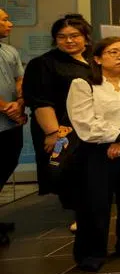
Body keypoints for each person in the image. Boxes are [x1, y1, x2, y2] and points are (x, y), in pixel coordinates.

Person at [65, 37, 120, 271]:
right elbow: (84, 122)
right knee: (94, 204)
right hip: (95, 150)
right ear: (98, 58)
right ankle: (91, 254)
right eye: (114, 52)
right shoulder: (84, 84)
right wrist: (117, 137)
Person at [23, 15, 93, 202]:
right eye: (62, 37)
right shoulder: (43, 63)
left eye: (74, 36)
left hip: (91, 127)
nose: (69, 41)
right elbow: (41, 101)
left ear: (86, 37)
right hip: (61, 128)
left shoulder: (95, 58)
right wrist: (54, 133)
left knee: (91, 175)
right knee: (68, 173)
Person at [0, 9, 26, 243]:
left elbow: (19, 79)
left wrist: (19, 102)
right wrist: (5, 107)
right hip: (7, 115)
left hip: (10, 123)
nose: (10, 24)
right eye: (4, 20)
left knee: (7, 164)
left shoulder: (10, 51)